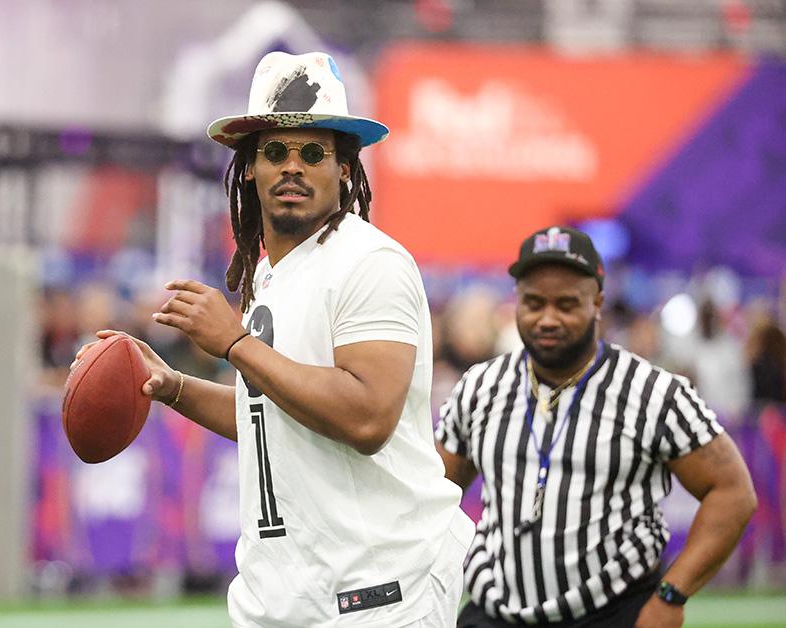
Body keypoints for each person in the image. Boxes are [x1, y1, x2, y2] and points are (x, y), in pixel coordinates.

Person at [76, 51, 473, 627]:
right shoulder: (270, 275)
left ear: (344, 167)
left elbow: (366, 419)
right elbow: (273, 419)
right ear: (248, 168)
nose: (293, 166)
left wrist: (236, 343)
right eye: (275, 152)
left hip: (380, 586)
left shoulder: (371, 262)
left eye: (313, 152)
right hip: (290, 589)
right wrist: (171, 386)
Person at [435, 226, 757, 628]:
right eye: (533, 303)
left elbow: (732, 492)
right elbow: (434, 495)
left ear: (598, 302)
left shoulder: (652, 391)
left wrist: (671, 596)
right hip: (496, 612)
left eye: (566, 304)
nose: (547, 319)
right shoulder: (481, 387)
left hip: (610, 613)